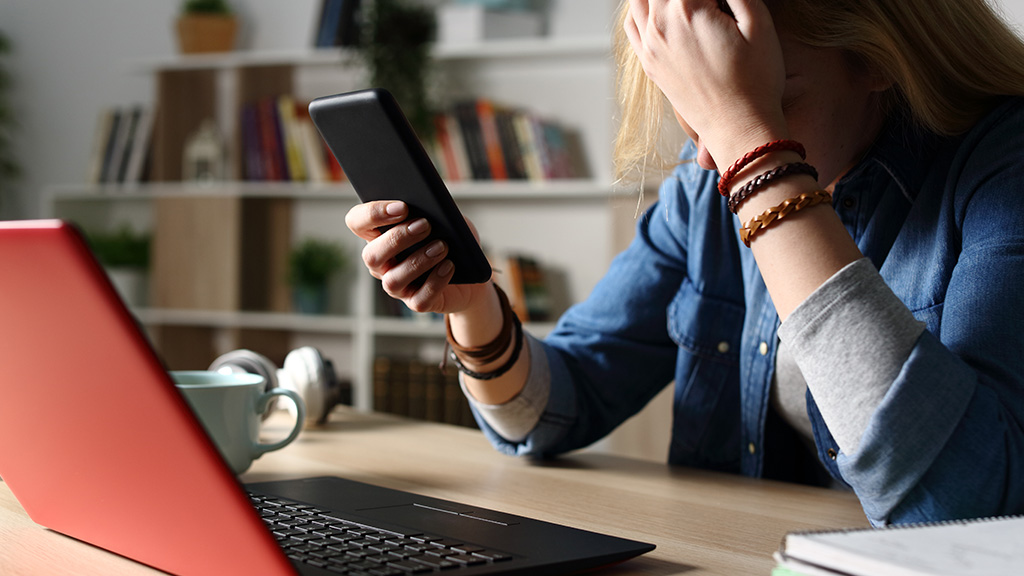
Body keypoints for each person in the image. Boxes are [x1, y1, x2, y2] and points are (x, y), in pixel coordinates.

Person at [345, 0, 1024, 527]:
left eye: (770, 103)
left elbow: (964, 504)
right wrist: (470, 302)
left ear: (883, 56)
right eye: (697, 111)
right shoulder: (708, 184)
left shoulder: (1003, 166)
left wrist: (755, 155)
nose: (710, 157)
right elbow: (552, 409)